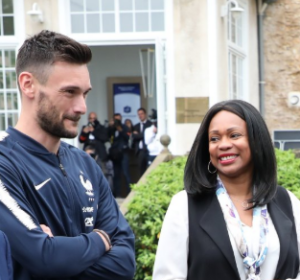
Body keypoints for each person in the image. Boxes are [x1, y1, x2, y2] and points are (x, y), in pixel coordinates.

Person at [0, 30, 135, 280]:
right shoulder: (4, 163)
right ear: (28, 84)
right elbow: (44, 258)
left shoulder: (86, 163)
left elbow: (125, 264)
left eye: (85, 93)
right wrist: (100, 239)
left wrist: (58, 258)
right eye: (69, 92)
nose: (82, 107)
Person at [153, 99, 300, 280]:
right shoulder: (184, 206)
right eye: (214, 138)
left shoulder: (287, 202)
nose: (223, 145)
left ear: (257, 140)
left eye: (234, 135)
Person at [108, 113, 132, 197]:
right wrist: (111, 127)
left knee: (126, 173)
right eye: (115, 120)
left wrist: (120, 130)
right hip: (115, 154)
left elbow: (127, 137)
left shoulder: (124, 127)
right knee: (116, 174)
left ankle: (129, 193)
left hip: (123, 152)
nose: (117, 121)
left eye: (118, 119)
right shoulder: (112, 128)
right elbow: (107, 137)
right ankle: (117, 194)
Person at [132, 107, 152, 176]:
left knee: (149, 169)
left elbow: (146, 136)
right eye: (139, 114)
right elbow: (134, 137)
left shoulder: (150, 124)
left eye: (142, 114)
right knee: (141, 169)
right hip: (140, 151)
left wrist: (139, 135)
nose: (140, 116)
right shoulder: (136, 126)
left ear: (145, 114)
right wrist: (139, 135)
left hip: (148, 150)